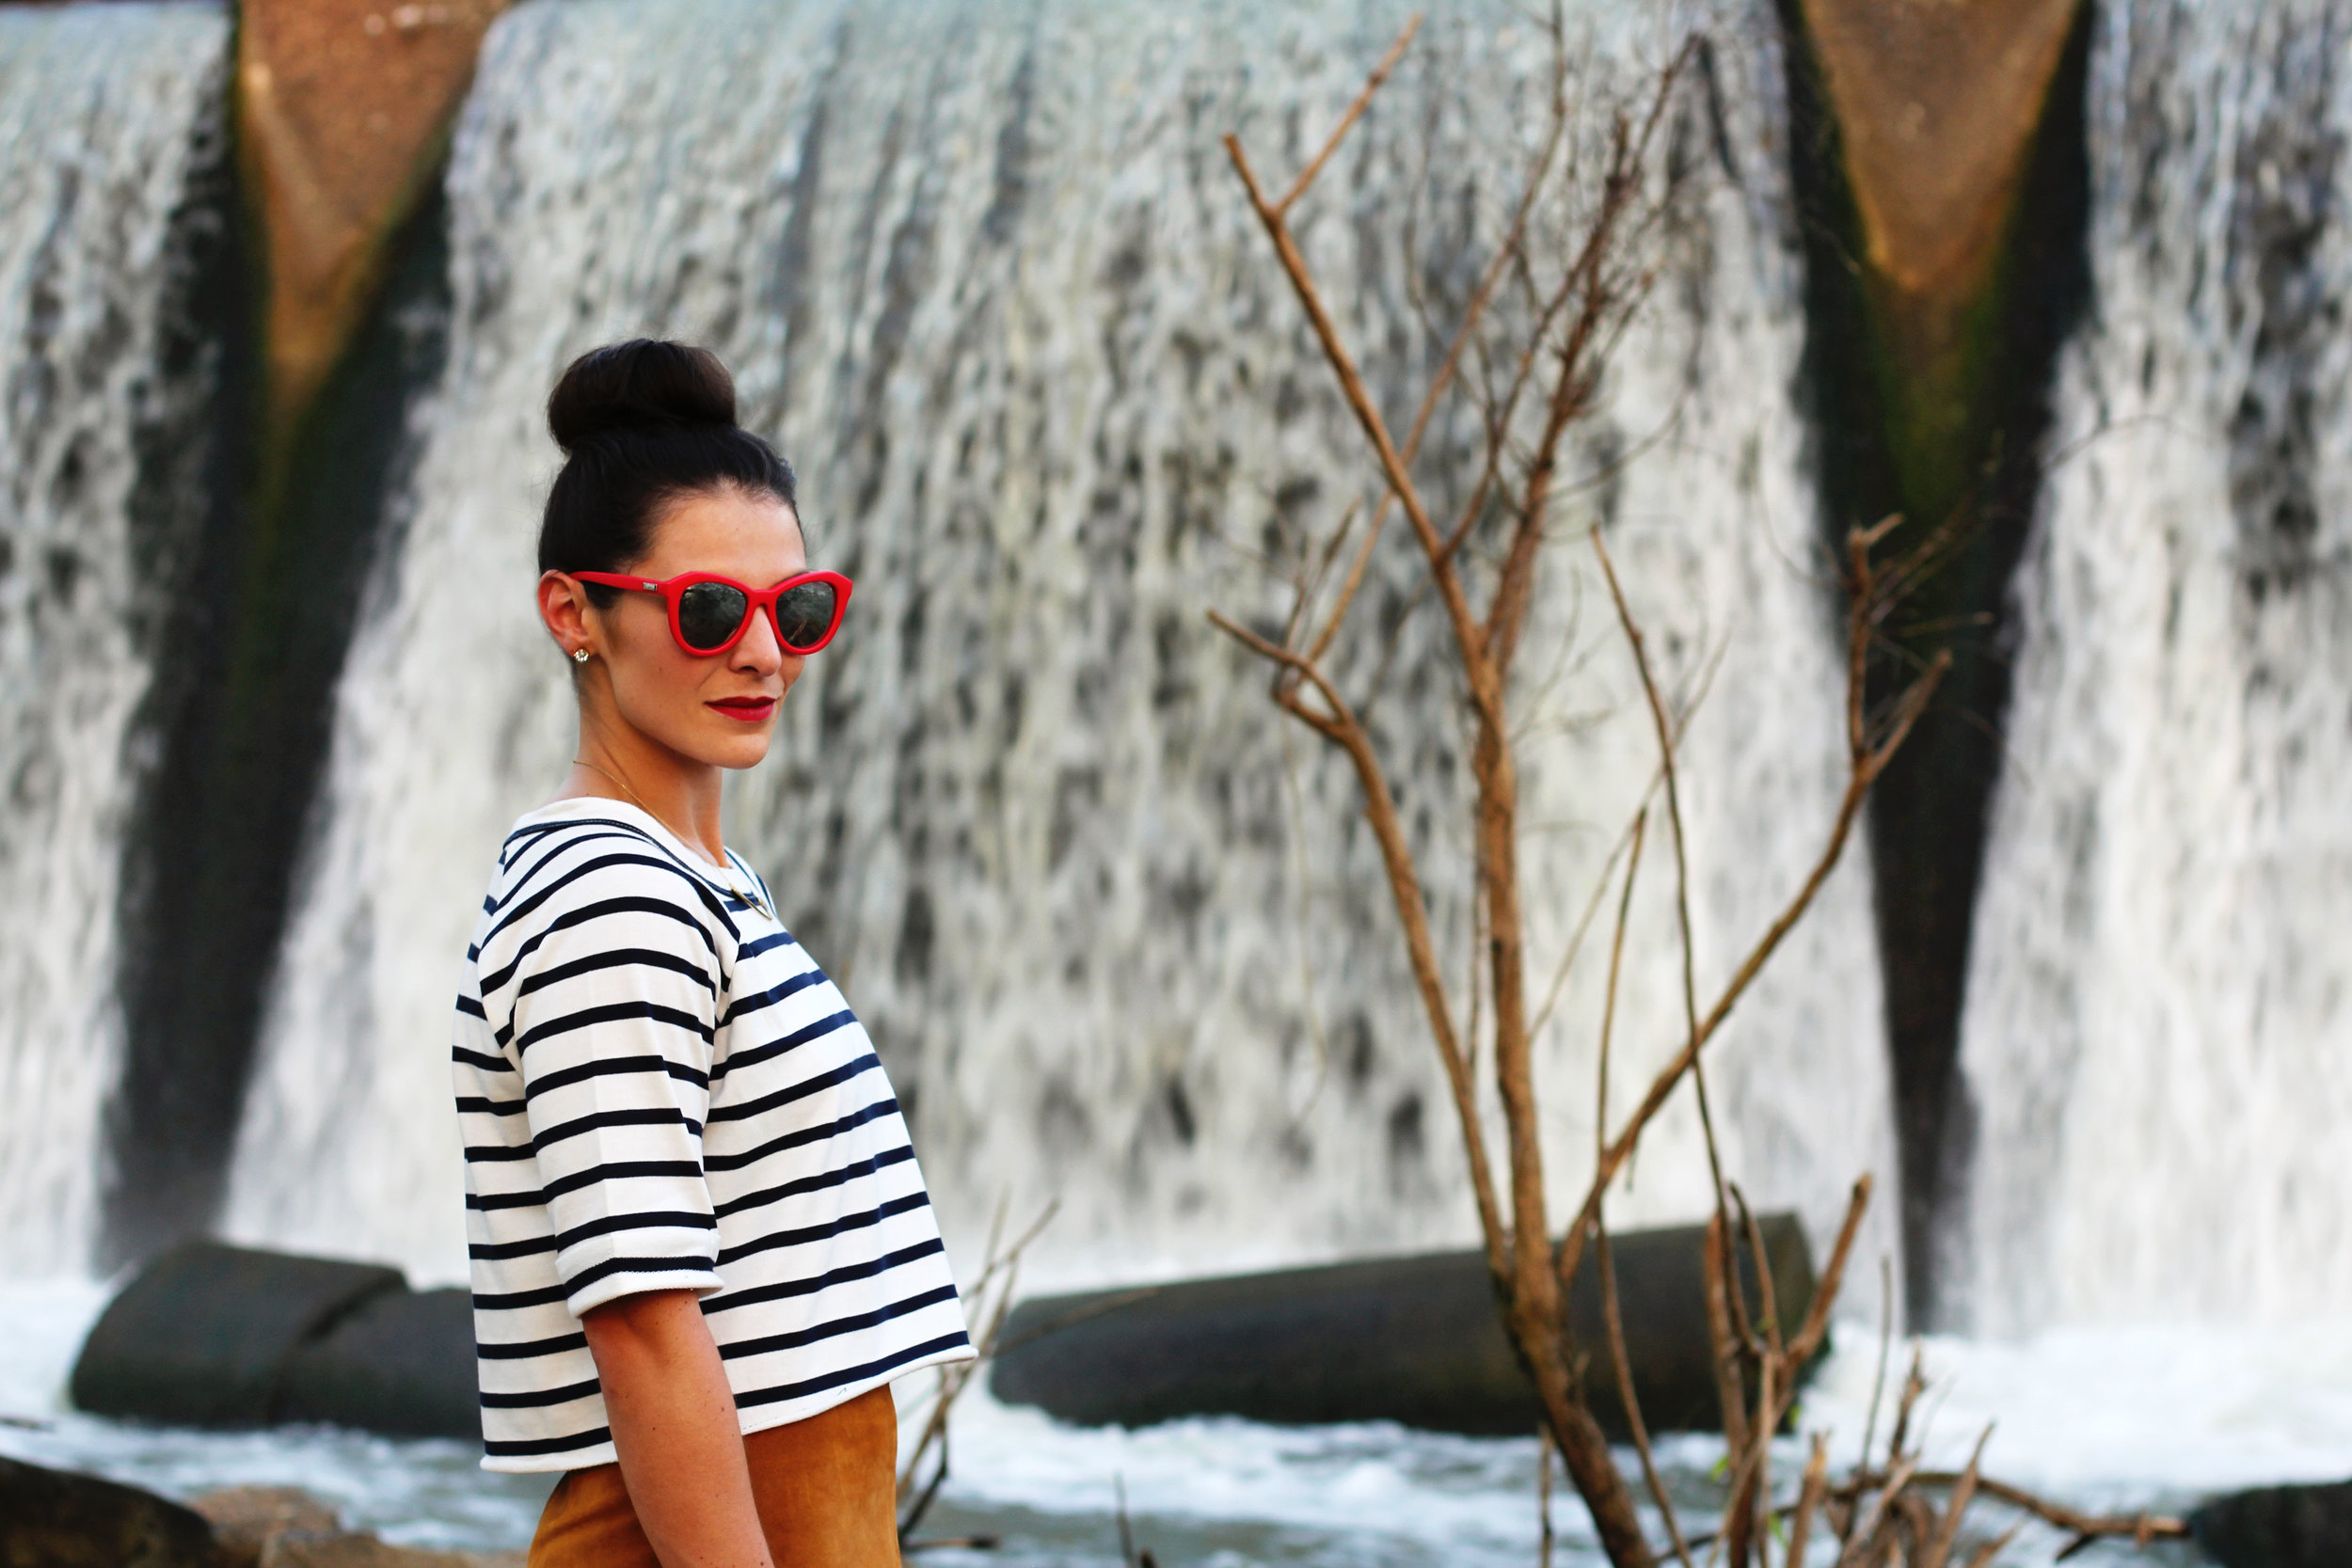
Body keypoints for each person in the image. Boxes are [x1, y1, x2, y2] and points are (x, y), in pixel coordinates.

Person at [452, 340, 971, 1568]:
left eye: (794, 608)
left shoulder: (699, 884)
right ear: (576, 614)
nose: (761, 653)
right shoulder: (607, 899)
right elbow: (641, 1322)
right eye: (705, 609)